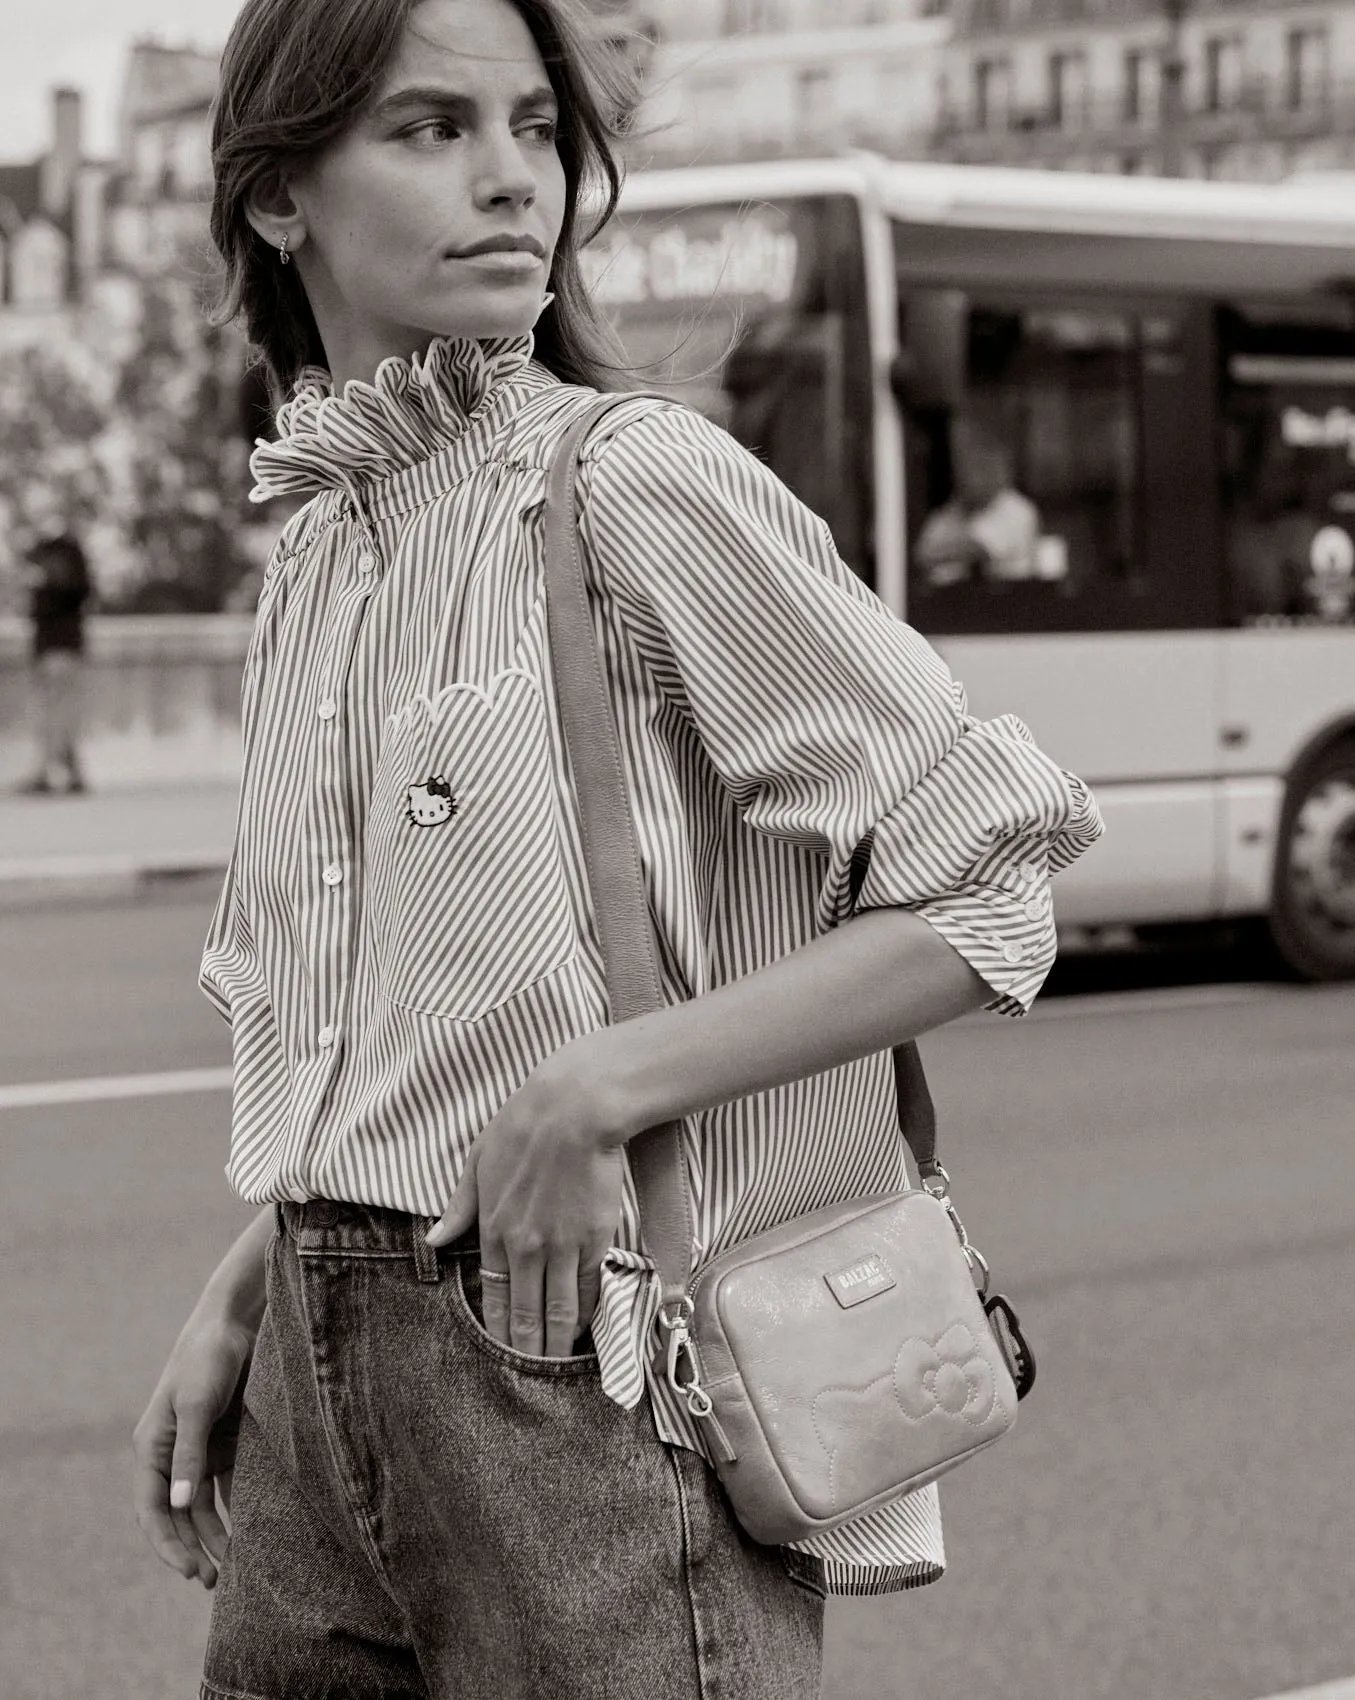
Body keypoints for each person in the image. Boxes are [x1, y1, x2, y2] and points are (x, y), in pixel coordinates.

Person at [131, 2, 1103, 1696]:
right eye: (431, 129)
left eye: (531, 127)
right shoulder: (321, 544)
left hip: (581, 1369)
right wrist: (248, 1293)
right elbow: (390, 1029)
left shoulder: (630, 484)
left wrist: (594, 1091)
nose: (513, 180)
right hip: (316, 1362)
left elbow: (988, 880)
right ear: (278, 195)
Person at [15, 489, 91, 796]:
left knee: (56, 711)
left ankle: (49, 772)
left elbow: (77, 591)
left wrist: (45, 581)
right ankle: (70, 773)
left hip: (61, 642)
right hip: (48, 642)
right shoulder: (41, 550)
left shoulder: (66, 552)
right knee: (55, 710)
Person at [915, 417, 1042, 587]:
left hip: (1008, 604)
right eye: (967, 468)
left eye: (983, 467)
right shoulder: (950, 511)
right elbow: (921, 554)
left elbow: (977, 549)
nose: (972, 477)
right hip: (950, 604)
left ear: (1001, 471)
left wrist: (943, 551)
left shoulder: (1018, 510)